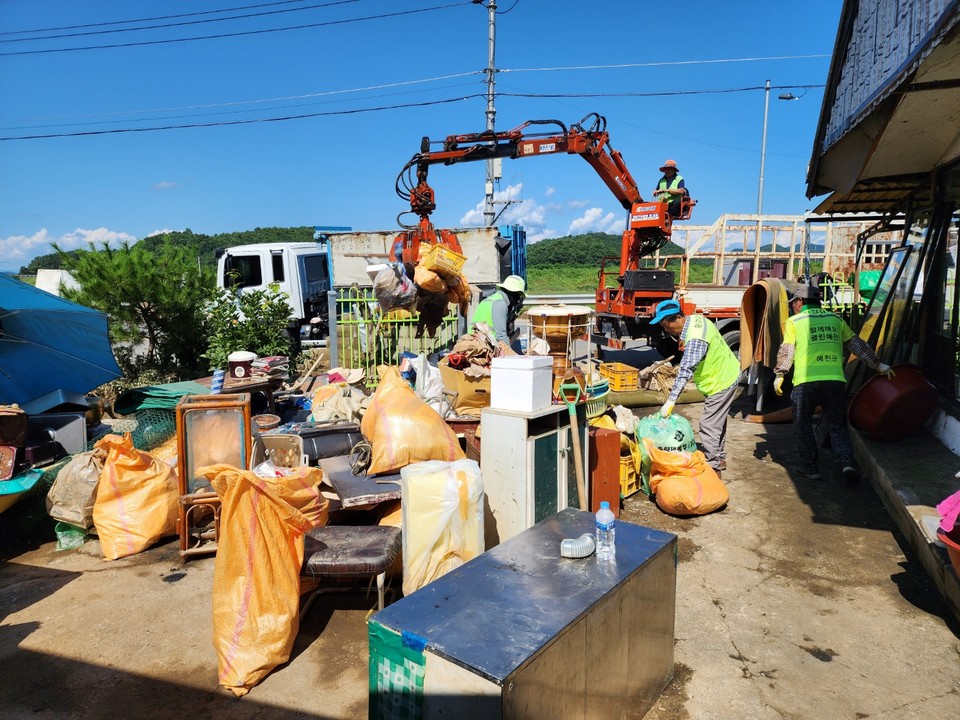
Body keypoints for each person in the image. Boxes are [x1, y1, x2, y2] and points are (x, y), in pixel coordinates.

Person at [773, 285, 894, 483]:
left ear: (800, 302)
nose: (793, 306)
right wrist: (878, 365)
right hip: (835, 382)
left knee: (803, 424)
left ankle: (809, 466)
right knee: (837, 425)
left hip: (806, 383)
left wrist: (780, 374)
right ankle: (847, 463)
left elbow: (787, 350)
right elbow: (858, 345)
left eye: (794, 302)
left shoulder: (795, 322)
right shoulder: (836, 320)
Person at [650, 299, 741, 474]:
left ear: (678, 317)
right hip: (723, 375)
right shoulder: (696, 320)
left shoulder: (696, 336)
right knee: (716, 422)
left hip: (720, 381)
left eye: (667, 325)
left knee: (708, 425)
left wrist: (671, 400)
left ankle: (713, 468)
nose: (666, 329)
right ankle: (719, 458)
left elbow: (686, 369)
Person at [470, 274, 526, 350]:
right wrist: (510, 355)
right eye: (519, 295)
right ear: (512, 293)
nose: (518, 298)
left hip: (474, 341)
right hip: (482, 345)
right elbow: (501, 337)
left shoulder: (492, 299)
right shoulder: (500, 304)